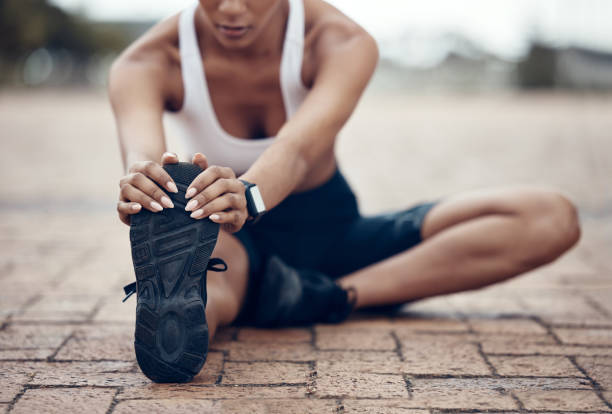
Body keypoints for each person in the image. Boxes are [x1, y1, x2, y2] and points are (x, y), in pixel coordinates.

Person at [109, 0, 581, 382]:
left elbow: (296, 149)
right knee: (205, 279)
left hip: (332, 232)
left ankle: (330, 295)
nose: (232, 9)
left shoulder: (341, 41)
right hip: (231, 240)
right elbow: (144, 155)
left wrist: (248, 193)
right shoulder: (145, 61)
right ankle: (179, 330)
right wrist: (144, 186)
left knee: (549, 216)